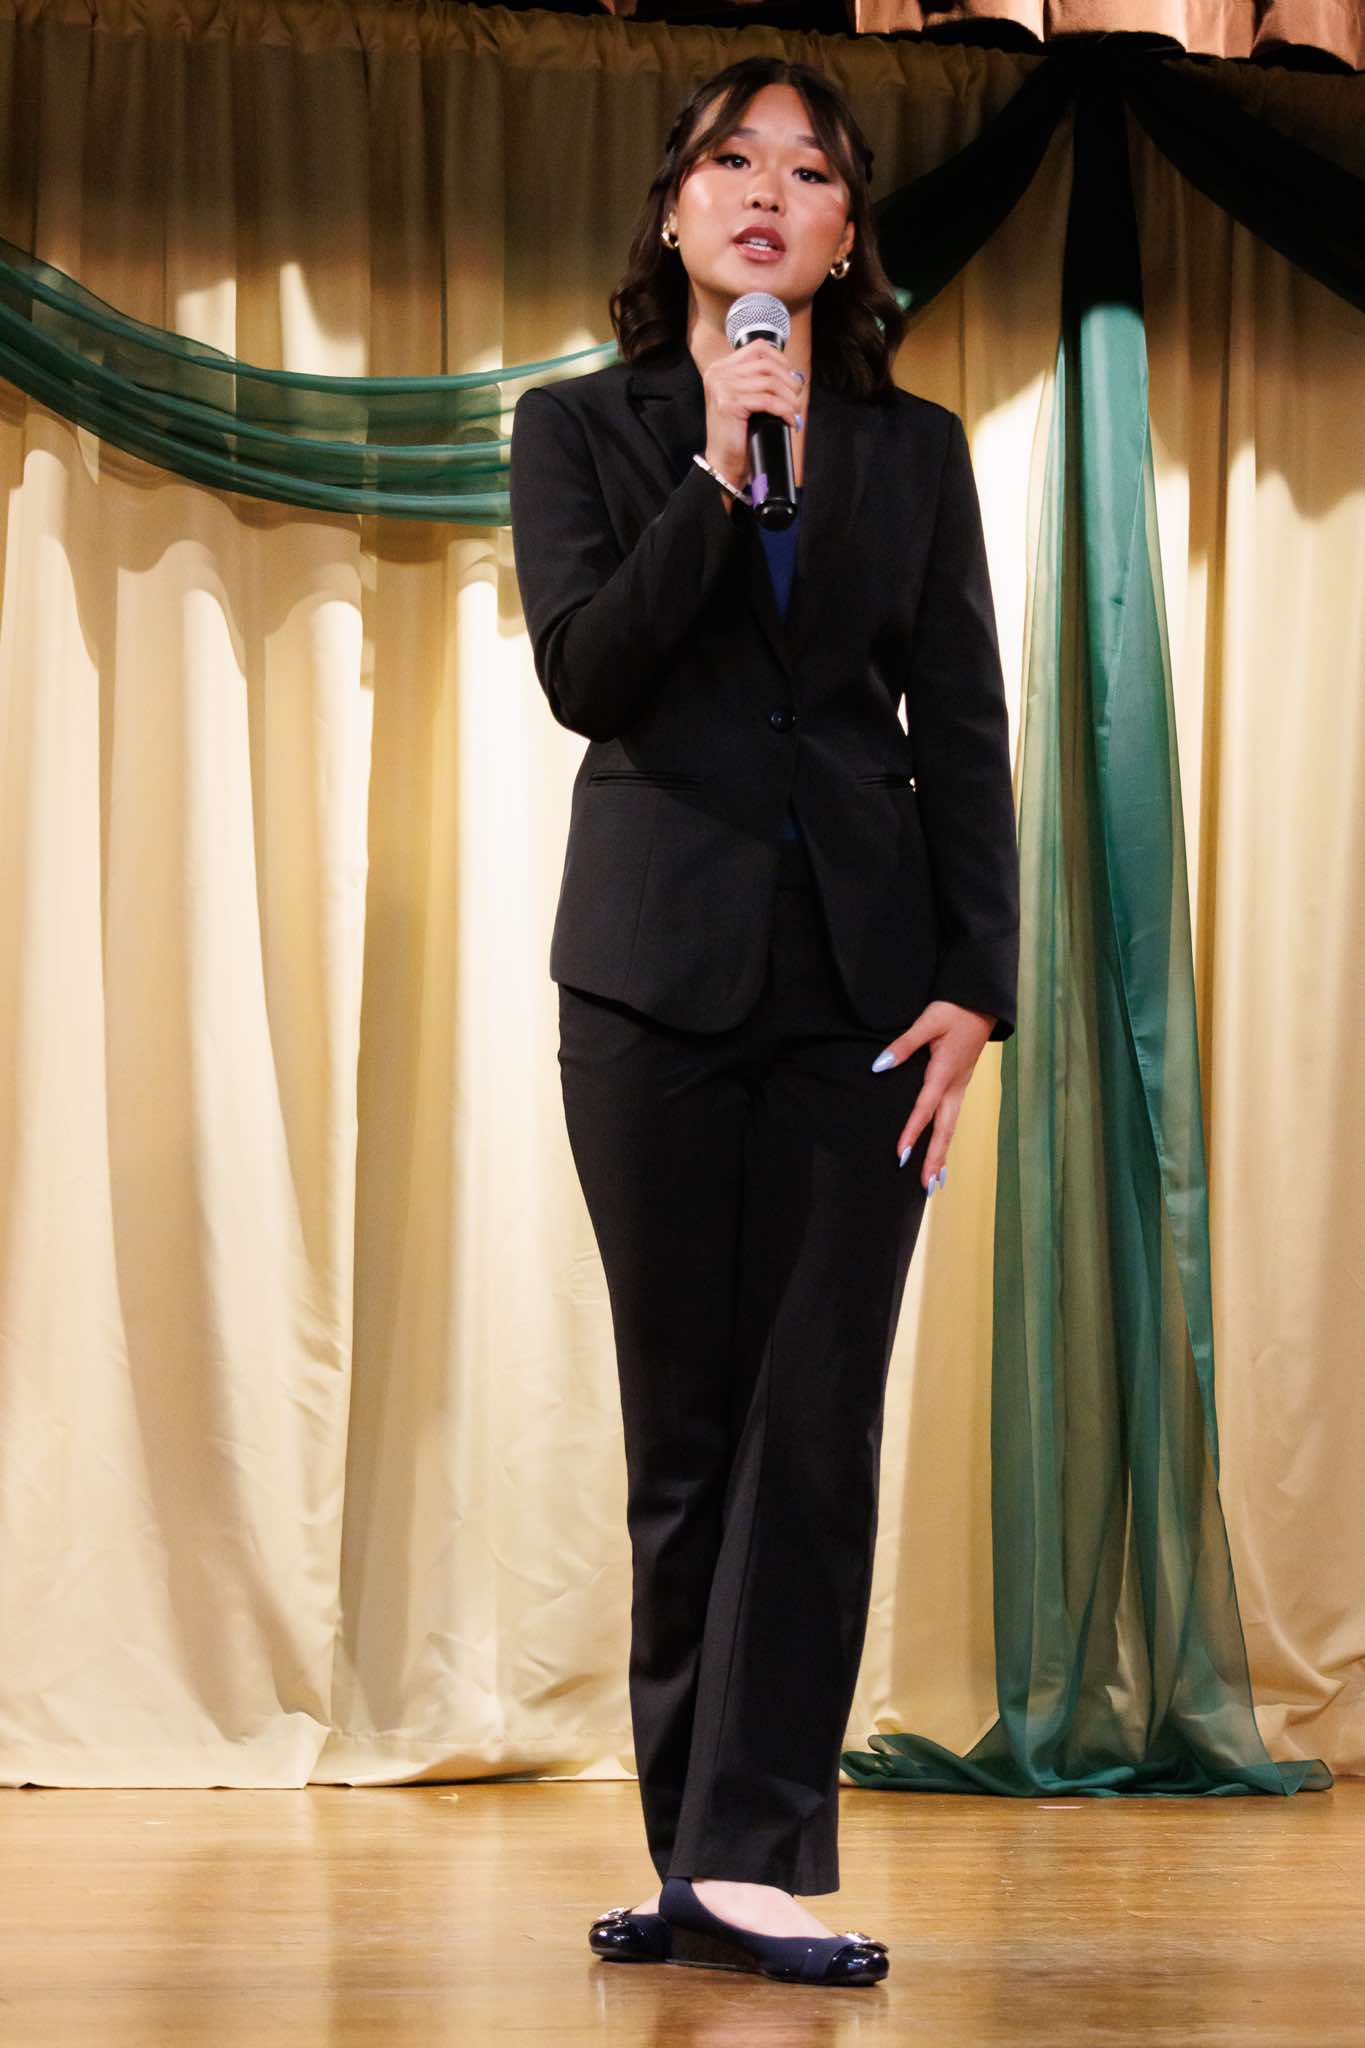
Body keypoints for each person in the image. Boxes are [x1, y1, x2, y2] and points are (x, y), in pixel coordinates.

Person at [508, 53, 1018, 1989]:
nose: (763, 192)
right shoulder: (582, 428)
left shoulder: (913, 450)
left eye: (807, 172)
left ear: (841, 236)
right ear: (674, 212)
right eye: (730, 159)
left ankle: (745, 1856)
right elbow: (590, 672)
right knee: (688, 1431)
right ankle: (698, 1858)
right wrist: (721, 470)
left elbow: (958, 722)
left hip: (866, 1002)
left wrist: (977, 979)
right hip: (649, 983)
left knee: (813, 1426)